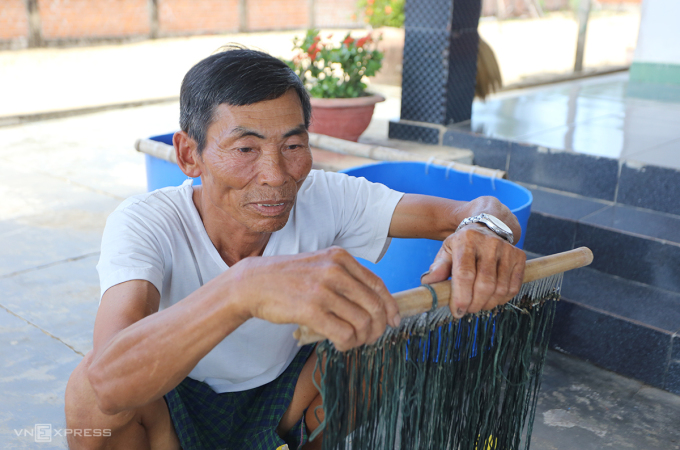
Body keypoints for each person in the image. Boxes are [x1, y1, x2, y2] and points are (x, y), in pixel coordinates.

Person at [64, 47, 526, 450]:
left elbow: (474, 209)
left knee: (374, 354)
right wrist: (240, 289)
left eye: (293, 144)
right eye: (245, 148)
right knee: (88, 398)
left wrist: (483, 228)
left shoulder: (325, 195)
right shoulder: (146, 222)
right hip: (170, 400)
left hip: (283, 395)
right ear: (189, 155)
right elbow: (106, 379)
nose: (276, 174)